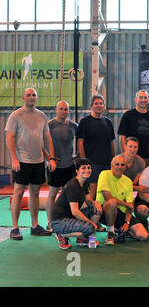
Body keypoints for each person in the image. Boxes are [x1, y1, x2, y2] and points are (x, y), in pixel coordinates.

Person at [5, 87, 56, 240]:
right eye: (29, 95)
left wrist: (51, 157)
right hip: (21, 161)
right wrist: (14, 158)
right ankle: (14, 228)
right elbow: (9, 138)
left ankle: (35, 226)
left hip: (38, 161)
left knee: (35, 193)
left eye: (34, 94)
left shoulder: (42, 116)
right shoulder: (16, 116)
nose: (31, 97)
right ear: (23, 98)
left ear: (36, 98)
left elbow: (47, 137)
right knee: (19, 193)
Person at [96, 155, 149, 245]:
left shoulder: (128, 181)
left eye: (122, 165)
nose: (119, 167)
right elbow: (107, 197)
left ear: (125, 167)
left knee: (143, 236)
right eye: (117, 164)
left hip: (121, 213)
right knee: (112, 202)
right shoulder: (104, 174)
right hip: (104, 212)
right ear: (112, 165)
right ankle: (110, 232)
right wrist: (125, 204)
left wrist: (127, 223)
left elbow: (130, 206)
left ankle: (122, 230)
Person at [51, 158, 102, 249]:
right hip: (59, 221)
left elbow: (89, 201)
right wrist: (91, 223)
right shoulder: (73, 185)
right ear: (77, 171)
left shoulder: (84, 182)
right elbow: (75, 211)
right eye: (83, 168)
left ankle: (82, 239)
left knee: (96, 210)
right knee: (90, 228)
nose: (87, 170)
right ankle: (61, 234)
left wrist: (96, 203)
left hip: (71, 217)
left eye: (88, 167)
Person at [45, 100, 78, 233]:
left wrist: (77, 155)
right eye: (61, 109)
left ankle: (67, 220)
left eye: (66, 109)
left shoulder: (74, 126)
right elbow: (42, 145)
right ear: (56, 109)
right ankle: (50, 222)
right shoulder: (49, 125)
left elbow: (81, 140)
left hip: (69, 166)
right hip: (55, 167)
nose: (64, 111)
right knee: (52, 194)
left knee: (68, 195)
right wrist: (50, 159)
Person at [76, 94, 115, 199]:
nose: (99, 105)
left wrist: (113, 159)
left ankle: (103, 214)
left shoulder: (108, 122)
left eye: (101, 103)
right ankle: (91, 214)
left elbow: (111, 143)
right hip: (92, 163)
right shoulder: (85, 122)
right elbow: (80, 142)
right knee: (93, 192)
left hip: (106, 163)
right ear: (91, 106)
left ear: (104, 106)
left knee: (106, 191)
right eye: (96, 103)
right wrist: (84, 161)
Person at [118, 90, 149, 166]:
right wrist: (126, 155)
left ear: (148, 100)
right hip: (132, 157)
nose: (143, 100)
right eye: (140, 97)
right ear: (136, 100)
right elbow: (122, 137)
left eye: (145, 98)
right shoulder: (128, 115)